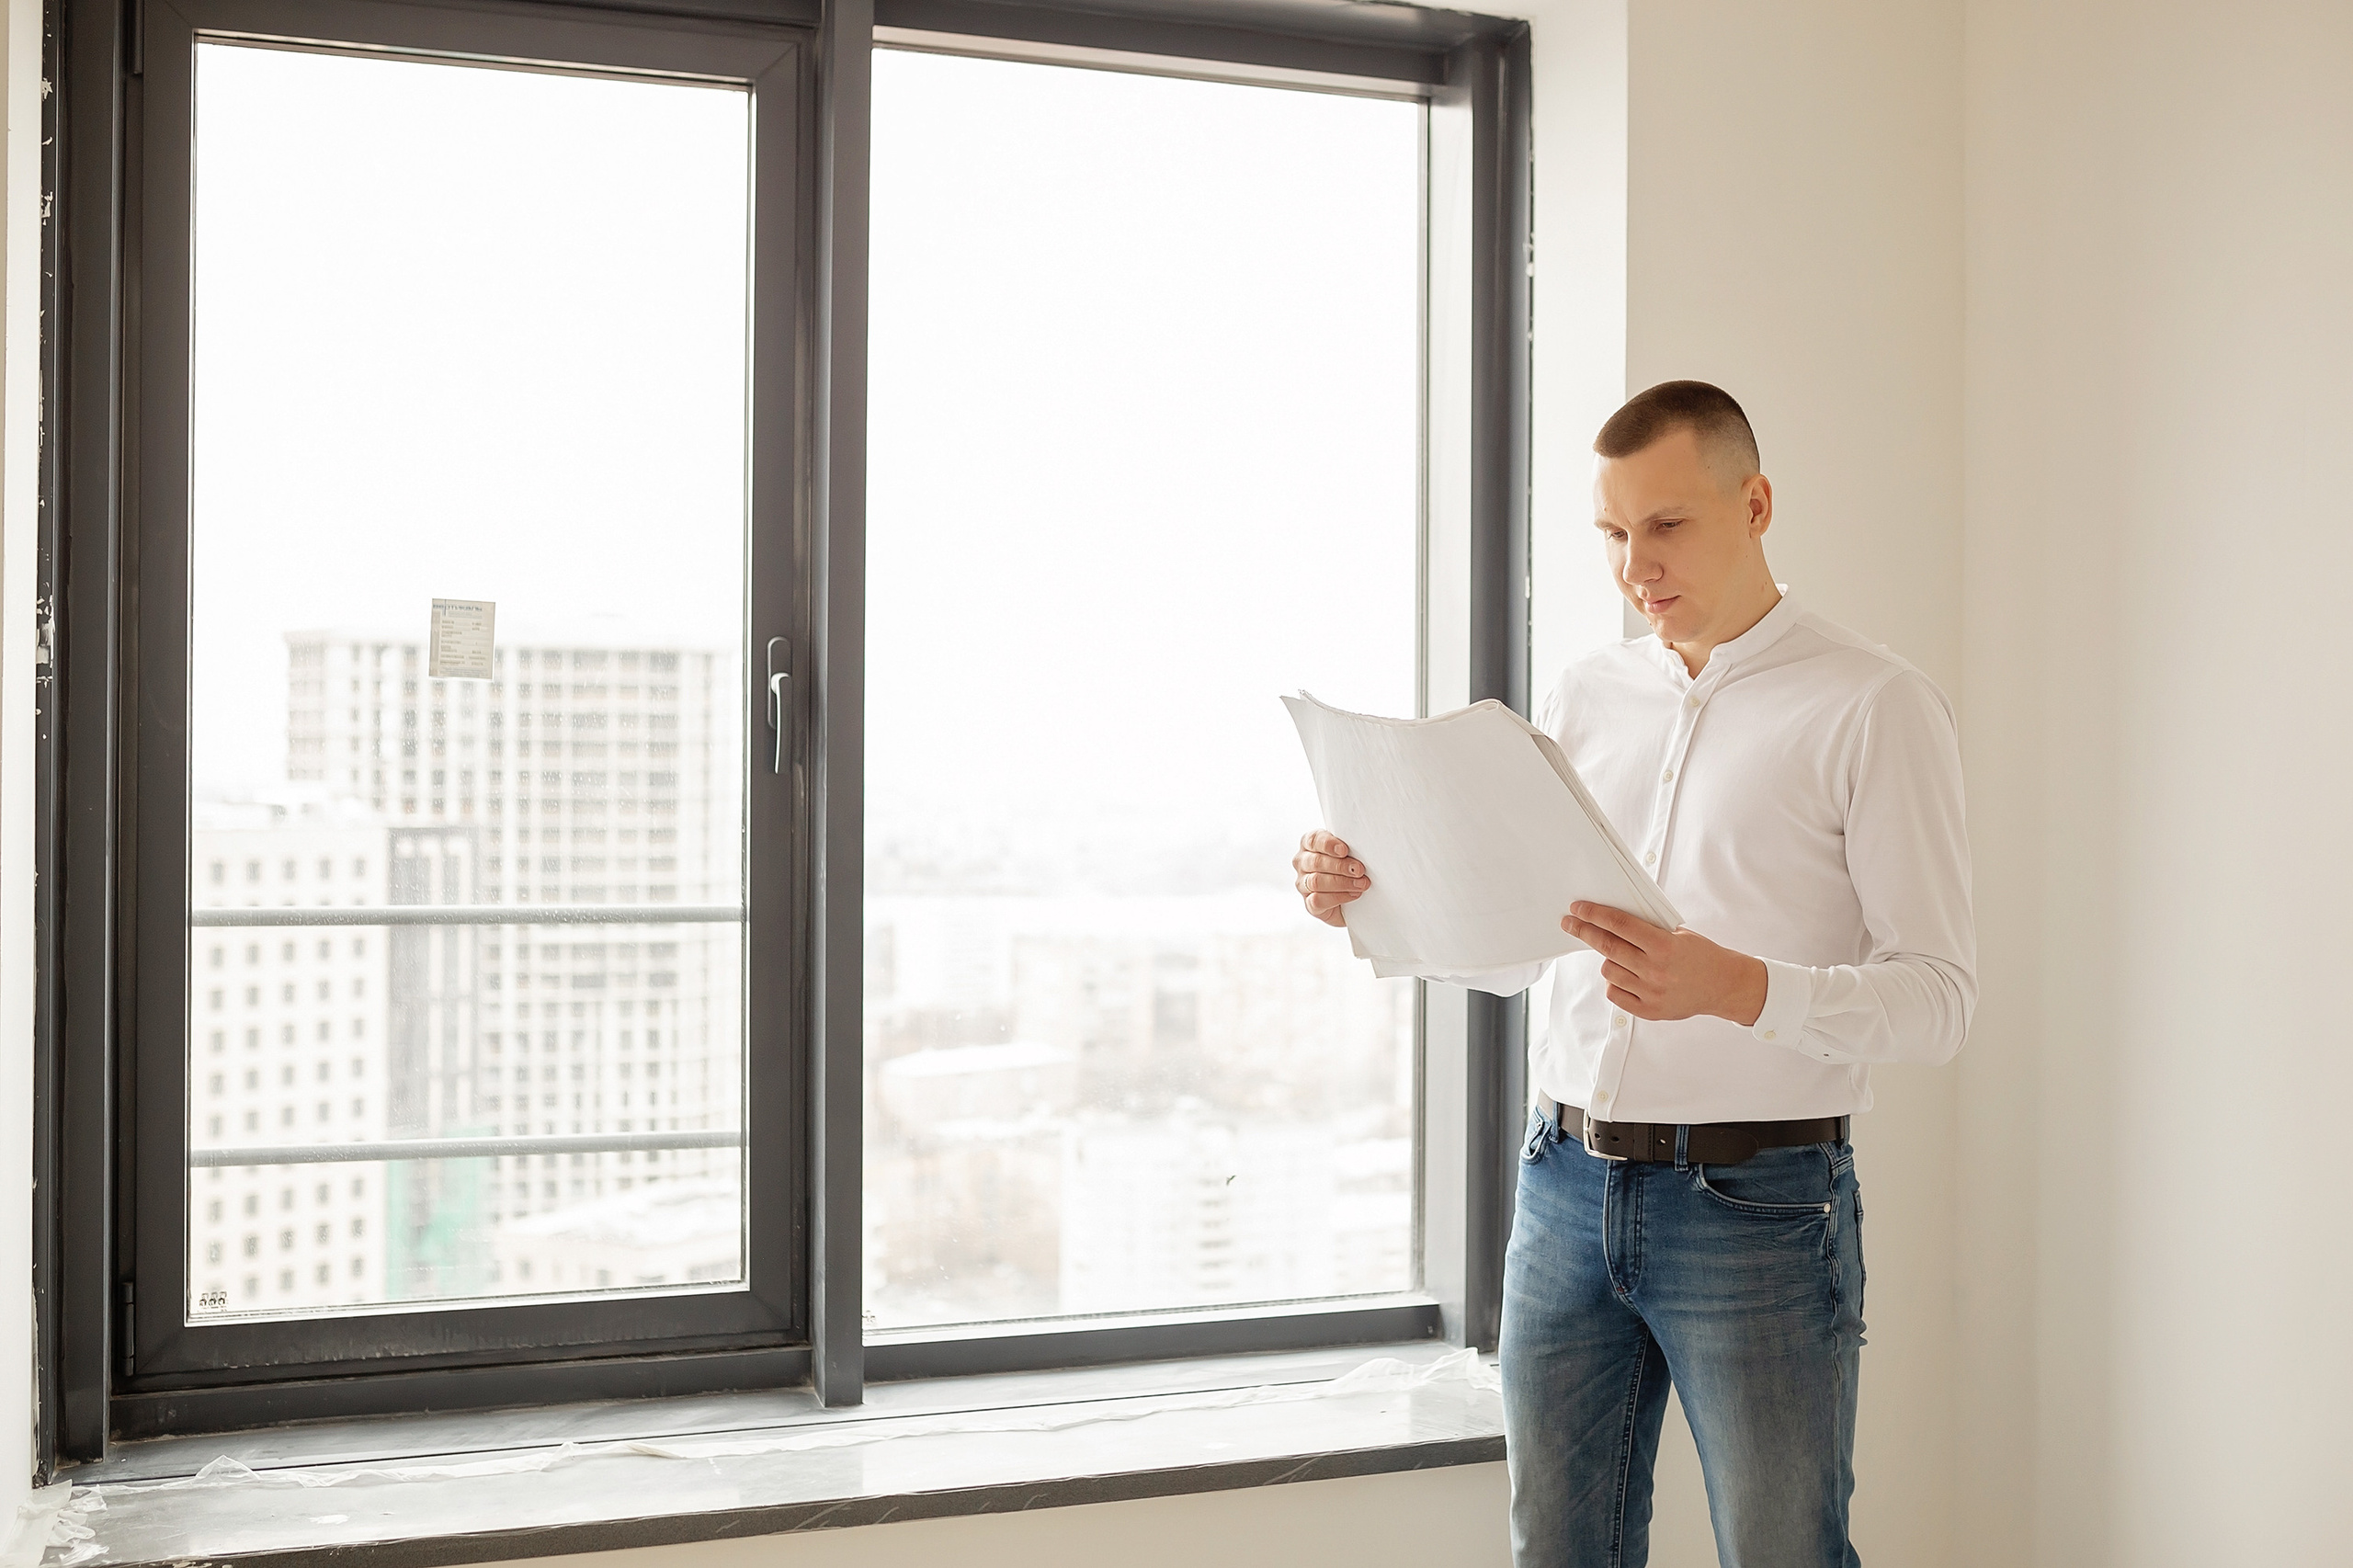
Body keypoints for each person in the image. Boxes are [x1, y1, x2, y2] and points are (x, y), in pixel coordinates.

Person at [1292, 381, 1974, 1568]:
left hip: (1757, 1208)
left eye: (1666, 525)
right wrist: (1375, 892)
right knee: (1556, 1551)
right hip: (1561, 1184)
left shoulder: (1875, 704)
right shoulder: (1585, 693)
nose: (1634, 566)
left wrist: (1736, 985)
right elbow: (1524, 946)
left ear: (1755, 504)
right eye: (1611, 531)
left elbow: (1939, 1000)